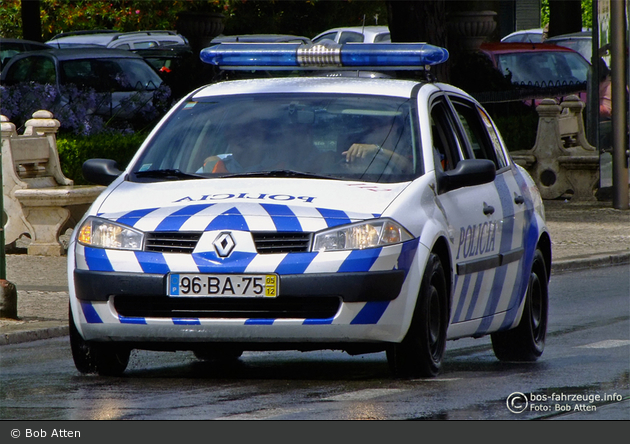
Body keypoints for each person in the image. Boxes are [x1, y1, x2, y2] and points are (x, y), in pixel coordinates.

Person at [341, 117, 413, 174]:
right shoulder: (356, 151)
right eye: (370, 125)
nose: (375, 128)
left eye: (381, 124)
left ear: (394, 127)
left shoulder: (404, 149)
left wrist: (378, 150)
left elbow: (410, 169)